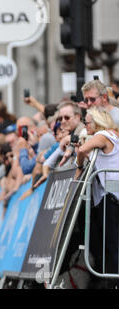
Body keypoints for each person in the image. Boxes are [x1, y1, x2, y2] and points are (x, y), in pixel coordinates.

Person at [74, 107, 119, 288]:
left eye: (87, 122)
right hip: (109, 196)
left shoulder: (103, 135)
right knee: (109, 245)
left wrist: (78, 166)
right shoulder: (110, 135)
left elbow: (83, 150)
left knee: (113, 244)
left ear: (97, 121)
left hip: (111, 196)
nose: (85, 125)